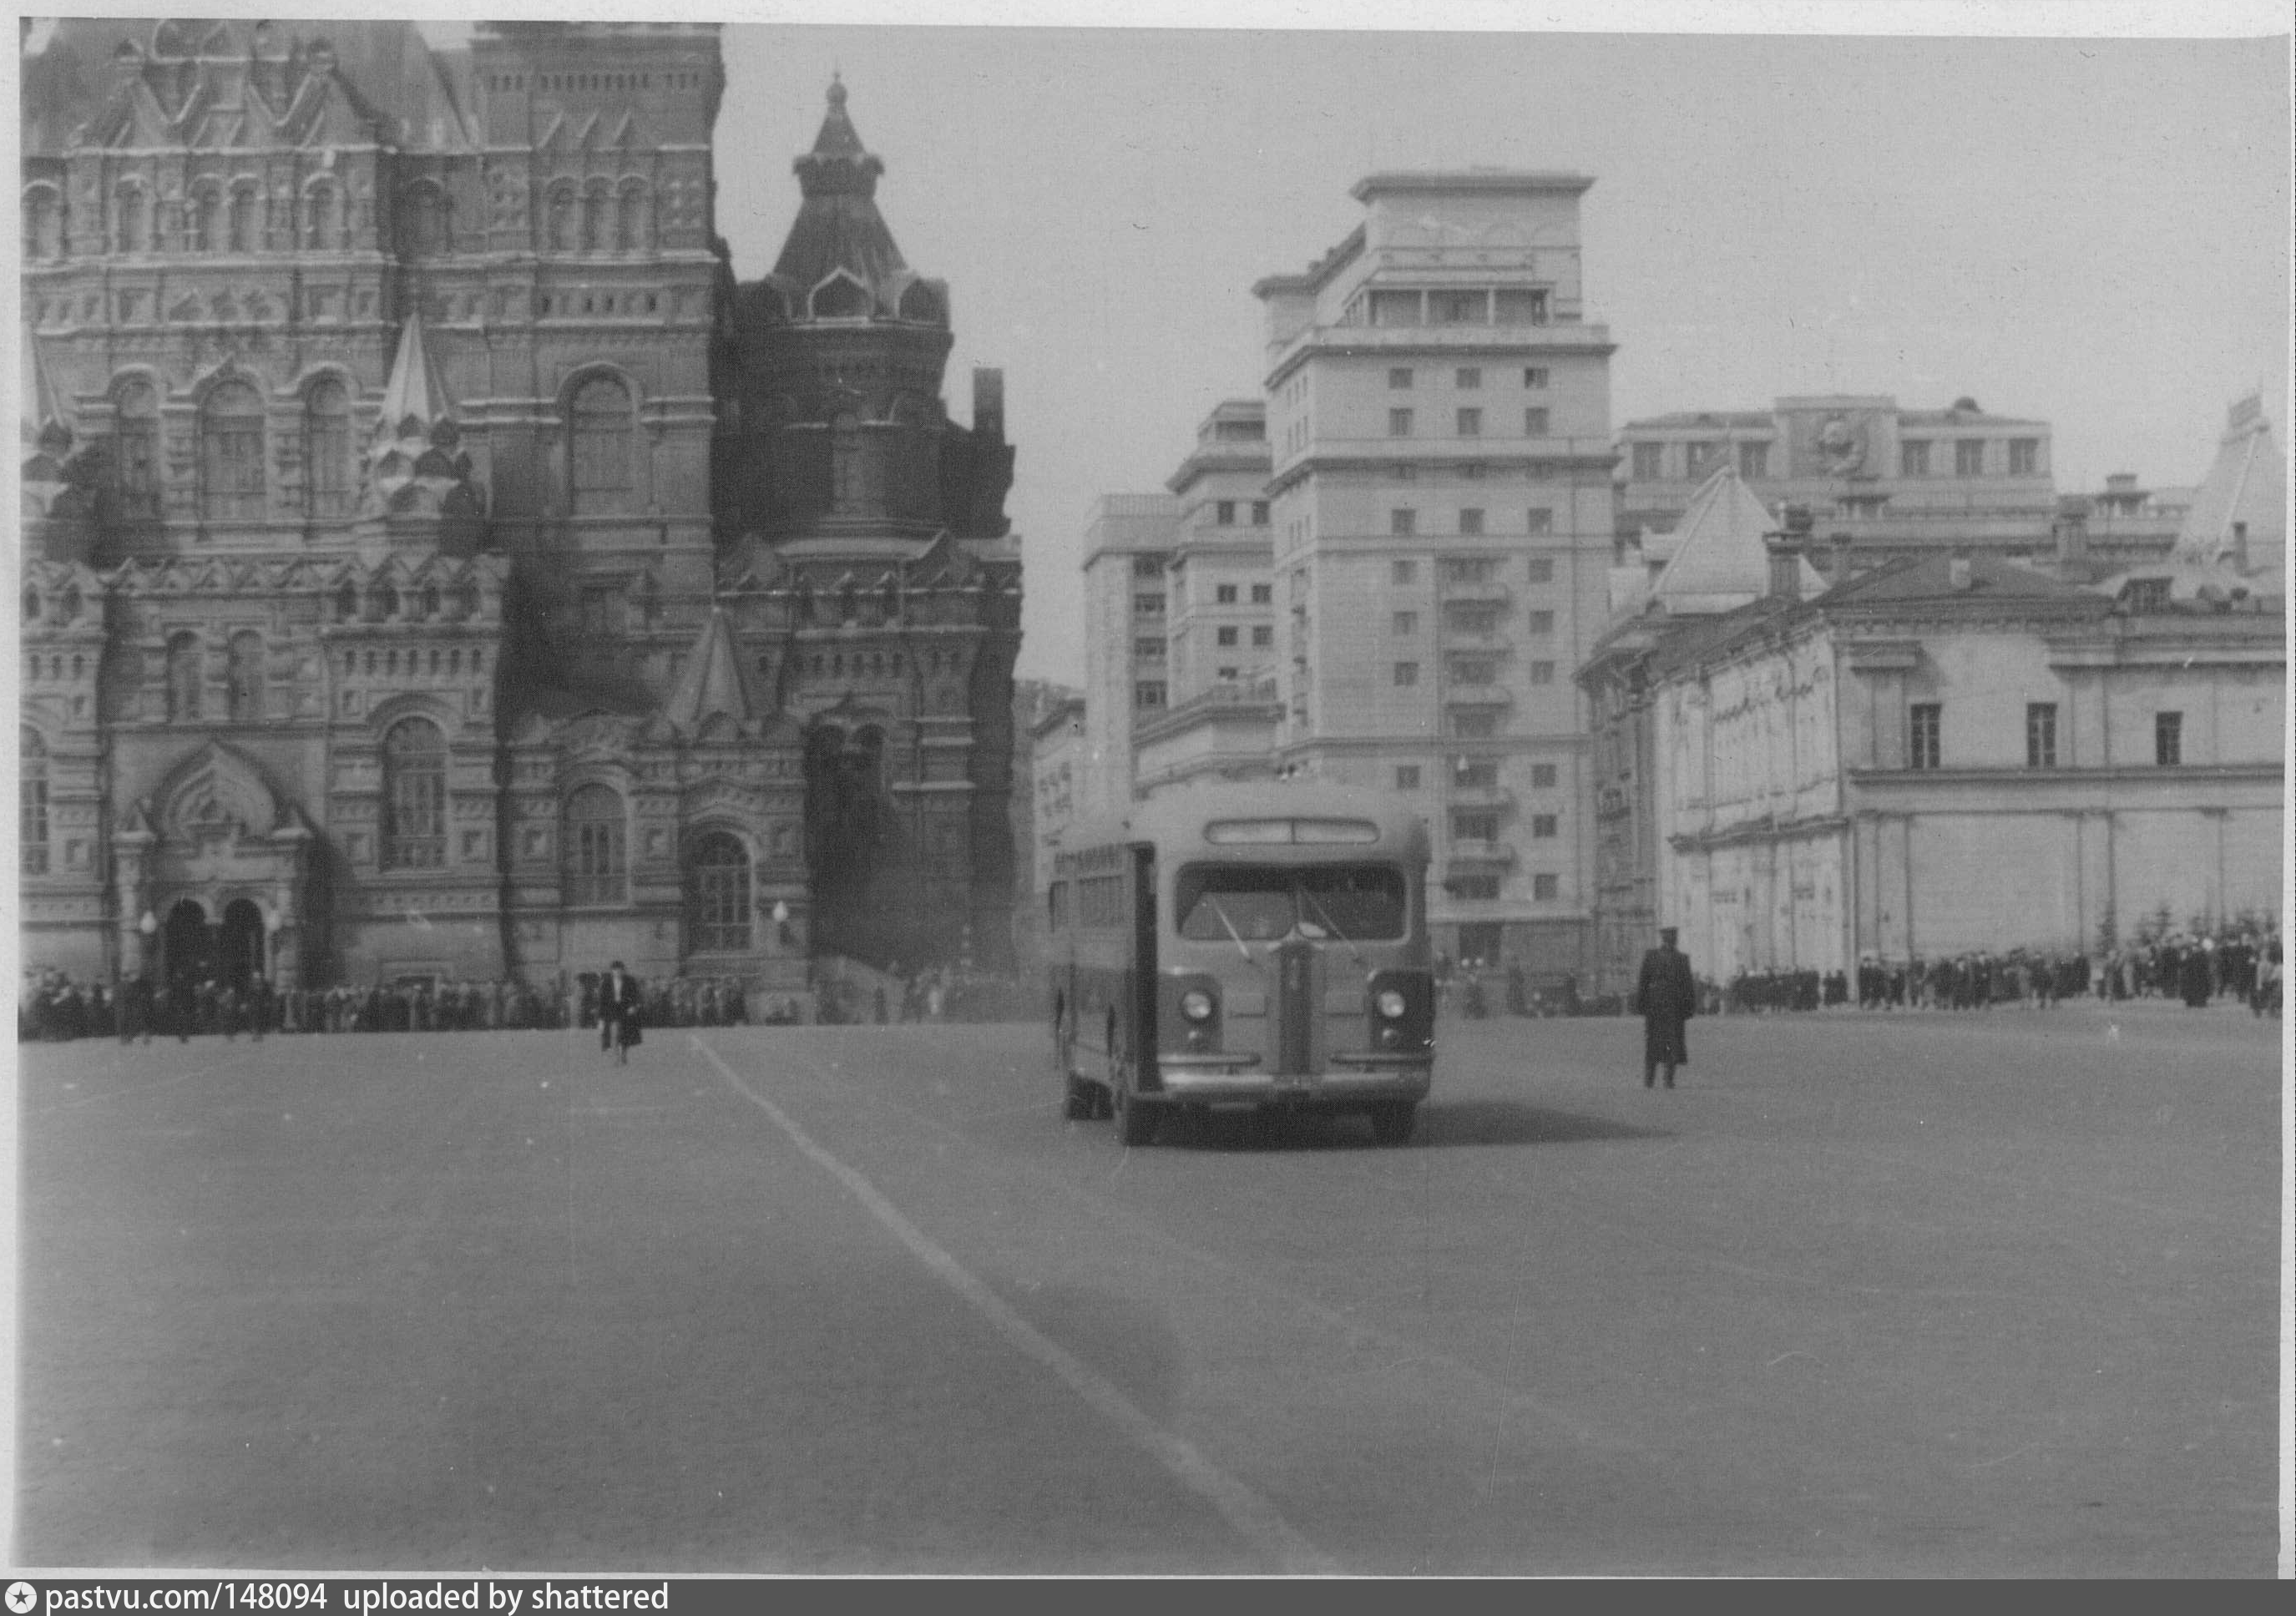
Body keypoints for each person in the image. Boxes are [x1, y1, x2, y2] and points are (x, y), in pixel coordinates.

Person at [1632, 926, 1697, 1089]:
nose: (1672, 940)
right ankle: (1649, 1078)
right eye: (1669, 937)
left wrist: (1689, 1007)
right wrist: (1641, 1005)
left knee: (1673, 1043)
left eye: (1673, 937)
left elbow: (1688, 986)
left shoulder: (1682, 959)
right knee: (1653, 1043)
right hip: (1655, 1007)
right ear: (1664, 938)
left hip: (1674, 1008)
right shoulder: (1651, 956)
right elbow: (1643, 982)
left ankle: (1668, 1078)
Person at [598, 960, 643, 1064]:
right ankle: (616, 1057)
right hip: (612, 1009)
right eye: (615, 971)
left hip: (625, 1009)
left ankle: (624, 1055)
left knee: (625, 1034)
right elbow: (602, 1000)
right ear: (612, 971)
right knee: (614, 1033)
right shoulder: (606, 982)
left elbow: (635, 996)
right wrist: (601, 1018)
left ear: (623, 971)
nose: (617, 973)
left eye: (620, 970)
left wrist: (633, 1006)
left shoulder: (630, 981)